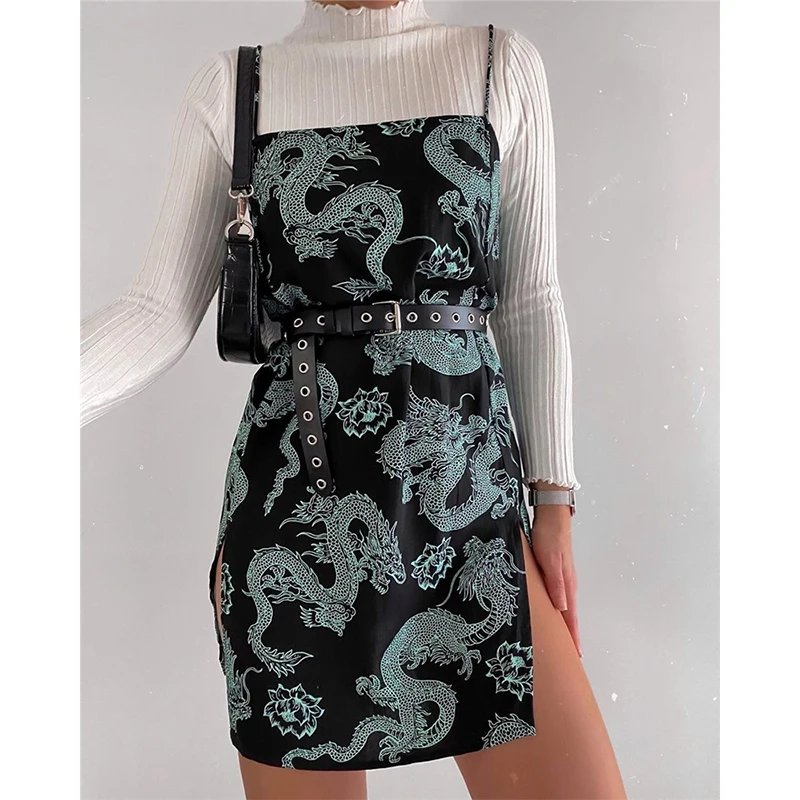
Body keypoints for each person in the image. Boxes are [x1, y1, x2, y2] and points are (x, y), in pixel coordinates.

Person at [80, 1, 626, 797]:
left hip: (470, 511)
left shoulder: (498, 65)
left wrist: (554, 501)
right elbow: (156, 312)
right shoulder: (235, 89)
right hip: (297, 512)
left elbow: (529, 300)